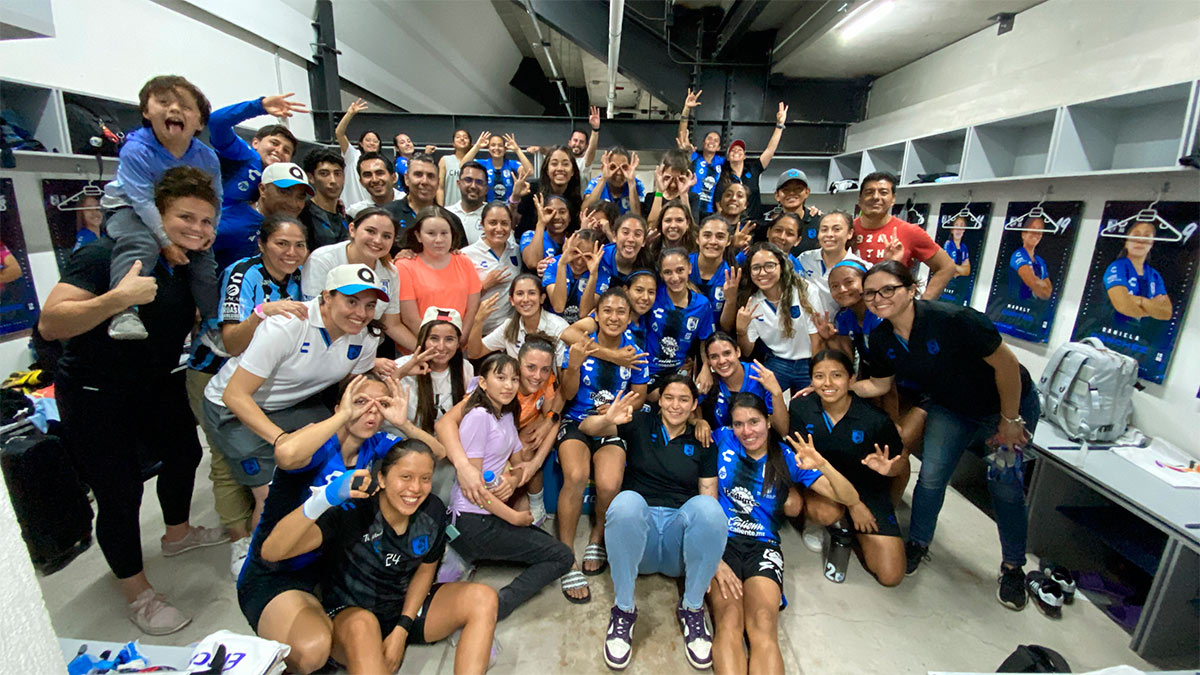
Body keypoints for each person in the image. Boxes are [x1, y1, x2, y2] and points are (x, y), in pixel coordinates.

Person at [41, 166, 227, 635]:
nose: (197, 229)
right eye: (185, 217)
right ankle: (137, 592)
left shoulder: (185, 264)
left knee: (185, 454)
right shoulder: (105, 254)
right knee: (120, 492)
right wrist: (117, 298)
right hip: (96, 392)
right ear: (156, 214)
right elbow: (51, 323)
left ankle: (178, 533)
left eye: (206, 221)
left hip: (155, 382)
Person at [855, 261, 1040, 609]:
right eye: (870, 293)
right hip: (950, 408)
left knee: (1005, 486)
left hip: (1007, 406)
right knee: (931, 477)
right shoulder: (881, 338)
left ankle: (1013, 567)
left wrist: (1010, 419)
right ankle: (918, 543)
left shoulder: (956, 320)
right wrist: (836, 387)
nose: (878, 298)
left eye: (887, 289)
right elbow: (879, 384)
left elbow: (1007, 366)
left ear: (911, 289)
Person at [237, 374, 439, 673]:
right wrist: (343, 417)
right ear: (339, 406)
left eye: (380, 405)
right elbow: (286, 453)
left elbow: (435, 454)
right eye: (360, 401)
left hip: (333, 569)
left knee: (365, 635)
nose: (370, 411)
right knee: (312, 651)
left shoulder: (377, 445)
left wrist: (403, 423)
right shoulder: (317, 441)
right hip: (279, 569)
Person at [260, 440, 499, 675]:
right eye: (405, 477)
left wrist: (402, 629)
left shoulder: (432, 510)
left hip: (401, 610)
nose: (415, 488)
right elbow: (272, 551)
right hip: (351, 618)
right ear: (382, 479)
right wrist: (323, 500)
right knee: (363, 625)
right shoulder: (353, 511)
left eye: (425, 479)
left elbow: (426, 569)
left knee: (483, 597)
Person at [203, 263, 387, 539]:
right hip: (233, 407)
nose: (361, 313)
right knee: (271, 495)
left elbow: (351, 386)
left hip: (295, 403)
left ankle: (324, 538)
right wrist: (281, 440)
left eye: (370, 305)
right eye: (352, 301)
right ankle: (254, 553)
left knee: (323, 464)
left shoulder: (366, 337)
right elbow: (234, 394)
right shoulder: (287, 325)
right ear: (327, 296)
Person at [186, 214, 308, 577]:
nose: (291, 252)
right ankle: (239, 541)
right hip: (214, 373)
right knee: (226, 462)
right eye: (282, 244)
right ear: (262, 243)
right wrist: (260, 313)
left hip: (262, 379)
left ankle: (266, 535)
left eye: (299, 245)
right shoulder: (244, 273)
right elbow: (232, 342)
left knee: (260, 465)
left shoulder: (298, 277)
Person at [708, 392, 862, 675]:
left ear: (768, 421)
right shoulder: (723, 439)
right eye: (739, 423)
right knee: (729, 620)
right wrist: (698, 422)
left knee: (763, 623)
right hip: (722, 541)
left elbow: (850, 498)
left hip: (763, 546)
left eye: (754, 422)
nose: (746, 431)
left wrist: (822, 465)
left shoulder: (787, 457)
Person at [581, 377, 725, 671]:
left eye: (684, 399)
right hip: (640, 541)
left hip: (677, 544)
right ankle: (623, 610)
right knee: (626, 502)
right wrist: (607, 418)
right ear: (660, 401)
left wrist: (716, 558)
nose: (675, 405)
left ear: (694, 405)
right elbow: (586, 428)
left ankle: (692, 608)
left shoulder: (703, 441)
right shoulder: (641, 424)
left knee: (710, 508)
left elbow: (708, 495)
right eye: (669, 397)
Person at [435, 353, 575, 620]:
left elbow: (519, 464)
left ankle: (465, 555)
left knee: (551, 547)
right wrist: (514, 517)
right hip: (473, 519)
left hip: (489, 514)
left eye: (513, 379)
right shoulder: (478, 416)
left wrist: (511, 478)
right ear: (483, 383)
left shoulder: (507, 414)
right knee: (562, 557)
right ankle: (495, 607)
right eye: (500, 378)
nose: (509, 385)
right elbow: (473, 489)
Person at [99, 75, 222, 340]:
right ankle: (124, 311)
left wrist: (209, 230)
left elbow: (215, 199)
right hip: (129, 208)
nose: (175, 109)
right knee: (141, 243)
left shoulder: (207, 157)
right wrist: (166, 243)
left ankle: (213, 323)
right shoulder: (136, 149)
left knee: (204, 260)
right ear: (146, 111)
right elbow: (142, 201)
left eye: (185, 106)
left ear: (200, 122)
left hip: (181, 216)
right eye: (164, 102)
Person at [556, 288, 650, 603]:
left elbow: (639, 395)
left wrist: (621, 410)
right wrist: (573, 366)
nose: (613, 317)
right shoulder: (581, 343)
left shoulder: (636, 353)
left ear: (630, 317)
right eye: (607, 310)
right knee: (576, 476)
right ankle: (566, 555)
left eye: (621, 312)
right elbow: (568, 394)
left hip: (611, 423)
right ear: (596, 314)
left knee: (610, 485)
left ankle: (597, 537)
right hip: (577, 419)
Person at [788, 350, 907, 587]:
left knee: (891, 575)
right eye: (819, 376)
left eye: (837, 375)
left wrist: (889, 469)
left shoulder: (875, 419)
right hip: (823, 486)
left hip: (867, 490)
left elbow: (900, 463)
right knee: (825, 512)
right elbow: (798, 460)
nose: (828, 383)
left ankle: (855, 532)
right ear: (811, 380)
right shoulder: (801, 407)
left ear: (851, 379)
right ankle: (836, 523)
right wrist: (853, 504)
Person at [438, 335, 562, 531]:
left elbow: (554, 417)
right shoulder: (494, 392)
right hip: (487, 446)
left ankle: (531, 502)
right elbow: (444, 423)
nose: (538, 375)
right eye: (530, 367)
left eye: (545, 369)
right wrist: (463, 466)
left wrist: (534, 464)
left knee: (532, 439)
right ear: (518, 364)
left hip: (512, 438)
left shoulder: (544, 383)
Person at [208, 93, 307, 267]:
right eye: (274, 143)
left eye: (286, 150)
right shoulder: (247, 156)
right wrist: (259, 106)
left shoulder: (281, 183)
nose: (279, 151)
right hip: (214, 227)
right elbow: (216, 122)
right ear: (255, 143)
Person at [303, 207, 416, 351]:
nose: (377, 240)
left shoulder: (390, 272)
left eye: (386, 236)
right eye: (370, 231)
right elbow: (314, 317)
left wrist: (427, 353)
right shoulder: (323, 260)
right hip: (319, 347)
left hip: (365, 349)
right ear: (352, 230)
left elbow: (391, 324)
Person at [735, 242, 823, 392]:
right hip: (777, 362)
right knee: (759, 399)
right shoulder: (752, 302)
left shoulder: (805, 291)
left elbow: (817, 340)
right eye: (756, 268)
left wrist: (817, 374)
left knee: (810, 402)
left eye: (769, 266)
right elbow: (747, 351)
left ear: (781, 266)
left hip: (809, 362)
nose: (762, 273)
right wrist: (741, 331)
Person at [852, 172, 956, 299]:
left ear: (893, 199)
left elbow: (947, 266)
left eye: (883, 192)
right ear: (860, 198)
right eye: (869, 192)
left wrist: (924, 303)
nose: (876, 197)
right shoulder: (845, 230)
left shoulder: (910, 231)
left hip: (890, 306)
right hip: (849, 307)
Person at [395, 206, 482, 340]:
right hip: (419, 345)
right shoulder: (405, 266)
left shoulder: (464, 262)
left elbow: (472, 310)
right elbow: (410, 318)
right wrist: (436, 344)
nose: (439, 240)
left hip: (459, 345)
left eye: (444, 233)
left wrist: (456, 343)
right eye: (431, 233)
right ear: (418, 236)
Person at [215, 161, 314, 269]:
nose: (293, 203)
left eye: (300, 196)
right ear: (263, 189)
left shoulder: (296, 228)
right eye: (284, 192)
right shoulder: (231, 224)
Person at [644, 248, 714, 388]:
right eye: (668, 272)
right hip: (649, 370)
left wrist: (706, 368)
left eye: (680, 270)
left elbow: (705, 340)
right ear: (661, 274)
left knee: (693, 396)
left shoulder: (702, 305)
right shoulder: (653, 296)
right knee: (662, 396)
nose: (675, 278)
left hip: (679, 372)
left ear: (690, 268)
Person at [469, 273, 568, 361]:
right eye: (520, 294)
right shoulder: (508, 327)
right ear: (512, 300)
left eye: (532, 293)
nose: (525, 299)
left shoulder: (558, 327)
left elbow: (563, 373)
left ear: (542, 298)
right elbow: (474, 353)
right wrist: (478, 321)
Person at [701, 333, 787, 434]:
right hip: (724, 441)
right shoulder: (708, 381)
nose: (722, 361)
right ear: (708, 360)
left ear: (738, 352)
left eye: (727, 353)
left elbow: (782, 430)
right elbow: (693, 406)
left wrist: (777, 393)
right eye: (714, 357)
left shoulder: (760, 375)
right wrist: (699, 422)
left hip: (758, 438)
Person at [722, 102, 788, 221]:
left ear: (744, 156)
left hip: (755, 224)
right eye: (732, 150)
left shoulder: (753, 169)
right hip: (732, 224)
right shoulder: (723, 175)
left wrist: (779, 125)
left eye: (740, 150)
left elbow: (770, 150)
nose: (736, 150)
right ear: (728, 158)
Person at [463, 201, 521, 336]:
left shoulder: (516, 251)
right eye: (493, 223)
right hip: (477, 331)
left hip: (508, 332)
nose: (499, 229)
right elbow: (458, 298)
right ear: (482, 225)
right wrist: (484, 285)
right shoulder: (466, 255)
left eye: (504, 223)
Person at [1104, 219, 1172, 330]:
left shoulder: (1154, 275)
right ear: (1127, 241)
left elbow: (1166, 313)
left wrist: (1140, 300)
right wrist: (1152, 307)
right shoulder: (1117, 267)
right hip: (1111, 328)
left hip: (1143, 334)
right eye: (1136, 235)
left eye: (1147, 237)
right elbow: (1123, 306)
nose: (1140, 240)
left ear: (1152, 243)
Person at [797, 211, 867, 315]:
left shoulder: (862, 267)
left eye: (836, 229)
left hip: (843, 324)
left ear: (850, 233)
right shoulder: (804, 259)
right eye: (824, 230)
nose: (829, 234)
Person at [335, 99, 402, 208]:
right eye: (368, 140)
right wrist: (350, 114)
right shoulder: (352, 156)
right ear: (361, 143)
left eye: (375, 141)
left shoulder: (383, 163)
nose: (372, 143)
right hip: (351, 209)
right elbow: (339, 133)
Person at [513, 145, 584, 237]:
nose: (560, 168)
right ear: (547, 169)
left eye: (565, 164)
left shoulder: (575, 199)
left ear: (573, 171)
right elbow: (513, 222)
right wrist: (515, 197)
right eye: (554, 164)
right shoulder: (530, 189)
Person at [543, 228, 606, 324]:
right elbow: (558, 307)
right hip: (552, 324)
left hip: (581, 327)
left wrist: (593, 275)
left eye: (588, 257)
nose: (580, 262)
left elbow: (584, 314)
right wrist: (562, 264)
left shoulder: (602, 272)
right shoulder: (553, 264)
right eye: (575, 253)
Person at [677, 88, 725, 214]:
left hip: (711, 211)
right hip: (692, 208)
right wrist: (686, 109)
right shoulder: (695, 157)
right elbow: (682, 136)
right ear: (703, 143)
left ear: (719, 147)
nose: (712, 142)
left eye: (716, 140)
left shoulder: (722, 162)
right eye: (709, 139)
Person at [689, 215, 737, 328]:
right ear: (697, 238)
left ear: (728, 241)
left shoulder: (730, 277)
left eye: (720, 237)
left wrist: (731, 300)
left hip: (714, 335)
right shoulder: (681, 266)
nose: (713, 241)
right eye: (707, 235)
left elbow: (726, 327)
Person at [299, 147, 349, 251]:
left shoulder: (348, 219)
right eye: (324, 173)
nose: (333, 180)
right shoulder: (302, 215)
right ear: (311, 177)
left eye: (337, 174)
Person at [765, 168, 822, 253]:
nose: (792, 193)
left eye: (798, 189)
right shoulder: (770, 223)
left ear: (807, 192)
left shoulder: (819, 222)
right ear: (777, 195)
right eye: (786, 189)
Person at [643, 150, 700, 226]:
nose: (673, 185)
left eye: (679, 179)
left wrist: (683, 195)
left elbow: (691, 228)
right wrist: (659, 191)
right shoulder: (651, 197)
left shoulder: (692, 198)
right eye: (667, 178)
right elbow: (651, 225)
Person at [595, 212, 650, 291]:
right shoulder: (599, 258)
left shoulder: (648, 265)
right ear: (614, 236)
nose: (631, 239)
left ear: (644, 241)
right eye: (625, 233)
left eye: (637, 234)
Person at [582, 147, 643, 215]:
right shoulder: (595, 183)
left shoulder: (636, 184)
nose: (619, 173)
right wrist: (604, 178)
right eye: (613, 167)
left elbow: (637, 216)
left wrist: (631, 182)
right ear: (603, 168)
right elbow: (585, 212)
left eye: (624, 167)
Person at [475, 133, 534, 202]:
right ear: (489, 148)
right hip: (487, 206)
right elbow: (464, 165)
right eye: (493, 145)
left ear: (505, 149)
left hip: (509, 206)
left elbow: (530, 172)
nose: (496, 148)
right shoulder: (483, 164)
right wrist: (477, 147)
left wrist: (517, 150)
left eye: (500, 145)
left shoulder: (511, 164)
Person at [520, 193, 572, 270]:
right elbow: (532, 263)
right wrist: (541, 223)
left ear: (569, 217)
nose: (557, 217)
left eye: (562, 212)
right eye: (550, 212)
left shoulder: (573, 239)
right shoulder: (530, 235)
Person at [1008, 216, 1053, 303]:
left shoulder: (1040, 261)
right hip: (1014, 305)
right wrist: (1040, 283)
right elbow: (1035, 285)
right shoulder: (1018, 255)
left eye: (1039, 230)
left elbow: (1048, 293)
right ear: (1023, 234)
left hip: (1033, 307)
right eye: (1033, 229)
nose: (1036, 233)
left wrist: (1038, 283)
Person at [347, 151, 401, 219]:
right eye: (367, 175)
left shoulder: (409, 204)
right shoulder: (356, 212)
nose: (375, 180)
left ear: (394, 178)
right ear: (361, 182)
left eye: (380, 173)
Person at [447, 160, 490, 244]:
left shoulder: (493, 217)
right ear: (459, 183)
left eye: (479, 182)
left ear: (486, 189)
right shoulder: (446, 214)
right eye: (468, 180)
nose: (473, 186)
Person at [437, 129, 472, 207]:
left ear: (470, 144)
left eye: (465, 137)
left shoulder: (475, 163)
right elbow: (440, 187)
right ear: (453, 143)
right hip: (448, 207)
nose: (462, 139)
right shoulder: (445, 160)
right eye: (458, 137)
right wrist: (440, 209)